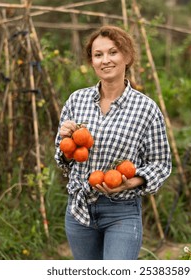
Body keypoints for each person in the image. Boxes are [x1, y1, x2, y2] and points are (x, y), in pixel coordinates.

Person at [54, 25, 172, 260]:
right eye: (98, 55)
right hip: (79, 208)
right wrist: (67, 142)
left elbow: (160, 164)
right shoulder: (77, 101)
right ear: (92, 61)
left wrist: (129, 183)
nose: (105, 60)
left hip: (122, 210)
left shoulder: (146, 109)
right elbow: (63, 159)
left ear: (127, 57)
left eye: (113, 52)